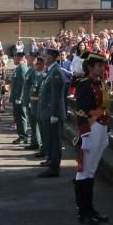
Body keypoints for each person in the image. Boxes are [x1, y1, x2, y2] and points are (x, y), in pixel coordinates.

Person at [74, 51, 111, 225]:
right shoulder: (84, 84)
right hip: (91, 127)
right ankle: (83, 212)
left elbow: (106, 107)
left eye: (102, 65)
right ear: (90, 68)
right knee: (84, 172)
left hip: (101, 127)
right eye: (98, 65)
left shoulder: (100, 84)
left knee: (91, 171)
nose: (102, 68)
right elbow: (81, 110)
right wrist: (85, 134)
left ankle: (90, 209)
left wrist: (107, 131)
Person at [37, 47, 66, 178]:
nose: (45, 58)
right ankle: (51, 161)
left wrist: (54, 114)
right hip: (47, 112)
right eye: (45, 56)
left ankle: (54, 167)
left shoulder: (56, 72)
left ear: (54, 57)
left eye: (47, 56)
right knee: (50, 139)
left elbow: (57, 96)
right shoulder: (51, 71)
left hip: (53, 113)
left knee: (54, 141)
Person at [23, 56, 45, 153]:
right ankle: (34, 141)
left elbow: (35, 87)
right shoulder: (31, 70)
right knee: (32, 123)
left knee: (36, 123)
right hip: (30, 100)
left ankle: (38, 142)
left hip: (35, 102)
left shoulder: (37, 73)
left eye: (38, 64)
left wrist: (32, 101)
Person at [9, 51, 29, 144]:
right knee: (18, 117)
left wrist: (20, 98)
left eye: (15, 57)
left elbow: (23, 84)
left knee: (21, 117)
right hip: (16, 97)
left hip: (19, 98)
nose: (13, 59)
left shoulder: (22, 68)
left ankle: (23, 136)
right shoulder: (18, 68)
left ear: (20, 58)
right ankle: (21, 135)